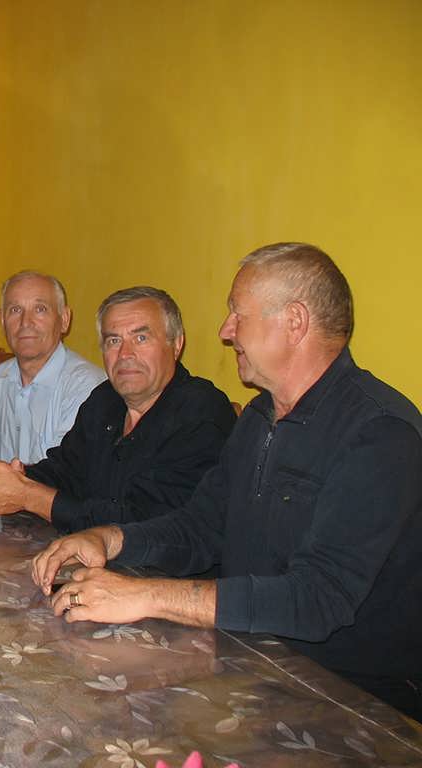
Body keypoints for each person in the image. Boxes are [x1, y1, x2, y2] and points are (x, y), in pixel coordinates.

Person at [32, 243, 422, 721]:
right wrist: (108, 539)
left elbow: (318, 599)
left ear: (295, 322)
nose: (225, 331)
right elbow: (201, 526)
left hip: (354, 703)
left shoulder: (380, 433)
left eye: (238, 314)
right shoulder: (260, 416)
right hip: (250, 661)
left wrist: (147, 595)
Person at [0, 286, 236, 533]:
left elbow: (145, 524)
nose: (125, 354)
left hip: (157, 571)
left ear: (176, 344)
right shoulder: (105, 399)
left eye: (141, 338)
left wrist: (29, 496)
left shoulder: (202, 411)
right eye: (113, 341)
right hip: (91, 559)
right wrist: (6, 479)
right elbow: (64, 470)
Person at [0, 271, 105, 481]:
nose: (26, 322)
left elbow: (58, 475)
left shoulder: (88, 387)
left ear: (64, 320)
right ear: (2, 320)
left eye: (40, 309)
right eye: (15, 310)